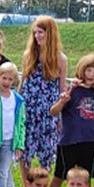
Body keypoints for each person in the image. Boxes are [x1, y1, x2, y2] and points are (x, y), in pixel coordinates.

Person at [50, 53, 94, 187]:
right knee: (59, 176)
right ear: (82, 70)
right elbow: (53, 111)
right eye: (88, 70)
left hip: (90, 140)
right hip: (69, 140)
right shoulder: (72, 89)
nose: (91, 74)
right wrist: (62, 101)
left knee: (86, 177)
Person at [19, 15, 68, 174]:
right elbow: (22, 83)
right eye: (35, 33)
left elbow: (61, 88)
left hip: (49, 111)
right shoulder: (29, 55)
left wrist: (60, 116)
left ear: (50, 34)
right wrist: (17, 107)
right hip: (29, 109)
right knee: (25, 150)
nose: (37, 36)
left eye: (41, 32)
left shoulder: (60, 59)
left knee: (47, 151)